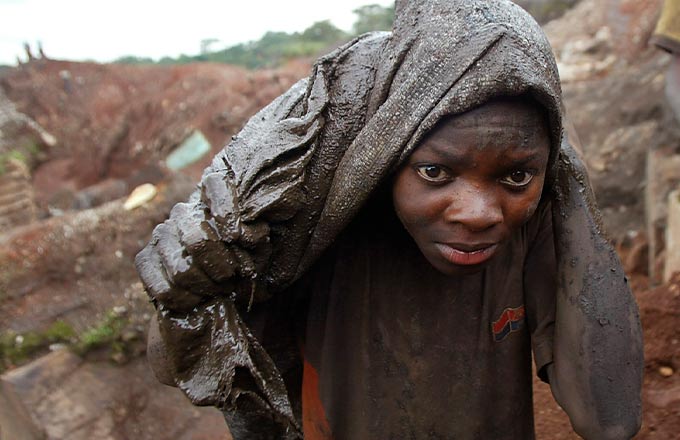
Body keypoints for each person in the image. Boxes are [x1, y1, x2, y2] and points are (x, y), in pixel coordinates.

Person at [136, 1, 643, 438]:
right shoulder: (320, 229)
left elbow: (610, 419)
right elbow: (176, 354)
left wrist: (569, 182)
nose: (478, 214)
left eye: (515, 176)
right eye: (435, 171)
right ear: (386, 155)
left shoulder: (533, 223)